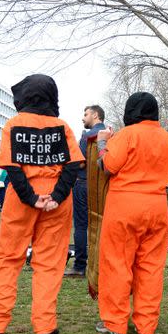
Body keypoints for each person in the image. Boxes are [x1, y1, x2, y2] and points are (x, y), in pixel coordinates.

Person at [0, 74, 84, 334]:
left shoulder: (14, 124)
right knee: (50, 262)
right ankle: (45, 326)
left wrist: (30, 197)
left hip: (21, 198)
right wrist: (56, 196)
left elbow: (11, 166)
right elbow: (73, 165)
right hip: (57, 200)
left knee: (7, 258)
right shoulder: (63, 127)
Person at [95, 92, 168, 334]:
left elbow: (107, 166)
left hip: (124, 205)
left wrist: (103, 143)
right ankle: (147, 324)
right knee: (151, 267)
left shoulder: (126, 135)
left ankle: (114, 322)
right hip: (156, 207)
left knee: (117, 264)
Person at [65, 105, 106, 278]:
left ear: (95, 115)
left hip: (83, 183)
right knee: (102, 226)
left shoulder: (88, 135)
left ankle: (80, 266)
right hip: (103, 186)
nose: (83, 118)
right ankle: (102, 265)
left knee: (81, 226)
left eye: (86, 114)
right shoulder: (111, 134)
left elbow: (80, 162)